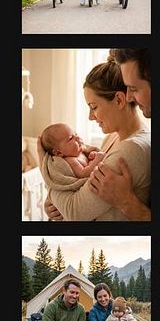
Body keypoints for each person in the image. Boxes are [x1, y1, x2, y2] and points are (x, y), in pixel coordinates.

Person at [41, 59, 150, 222]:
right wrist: (55, 205)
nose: (90, 117)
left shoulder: (133, 149)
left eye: (94, 107)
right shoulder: (113, 137)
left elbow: (74, 212)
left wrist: (45, 169)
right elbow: (81, 190)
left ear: (119, 100)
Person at [40, 123, 105, 178]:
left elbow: (89, 164)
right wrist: (97, 159)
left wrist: (92, 157)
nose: (77, 137)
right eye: (71, 138)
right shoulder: (71, 160)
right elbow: (83, 174)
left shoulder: (81, 153)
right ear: (58, 153)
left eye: (76, 134)